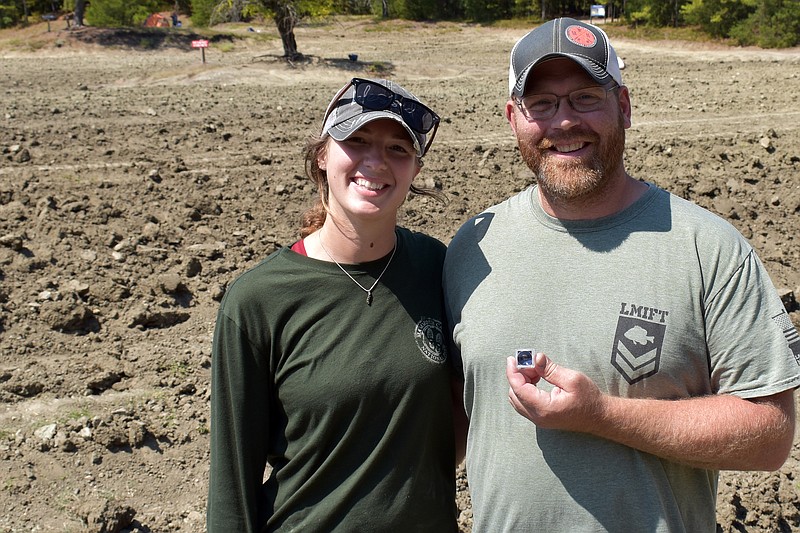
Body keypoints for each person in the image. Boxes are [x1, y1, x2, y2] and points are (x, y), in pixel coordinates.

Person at [443, 17, 800, 532]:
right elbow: (453, 423)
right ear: (513, 117)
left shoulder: (708, 249)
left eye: (586, 97)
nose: (564, 121)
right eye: (541, 103)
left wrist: (602, 416)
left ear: (624, 107)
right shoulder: (473, 249)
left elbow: (770, 434)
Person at [208, 78, 462, 532]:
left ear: (415, 170)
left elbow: (457, 418)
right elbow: (232, 484)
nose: (376, 162)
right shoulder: (258, 301)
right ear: (323, 155)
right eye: (357, 140)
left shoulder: (435, 267)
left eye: (398, 148)